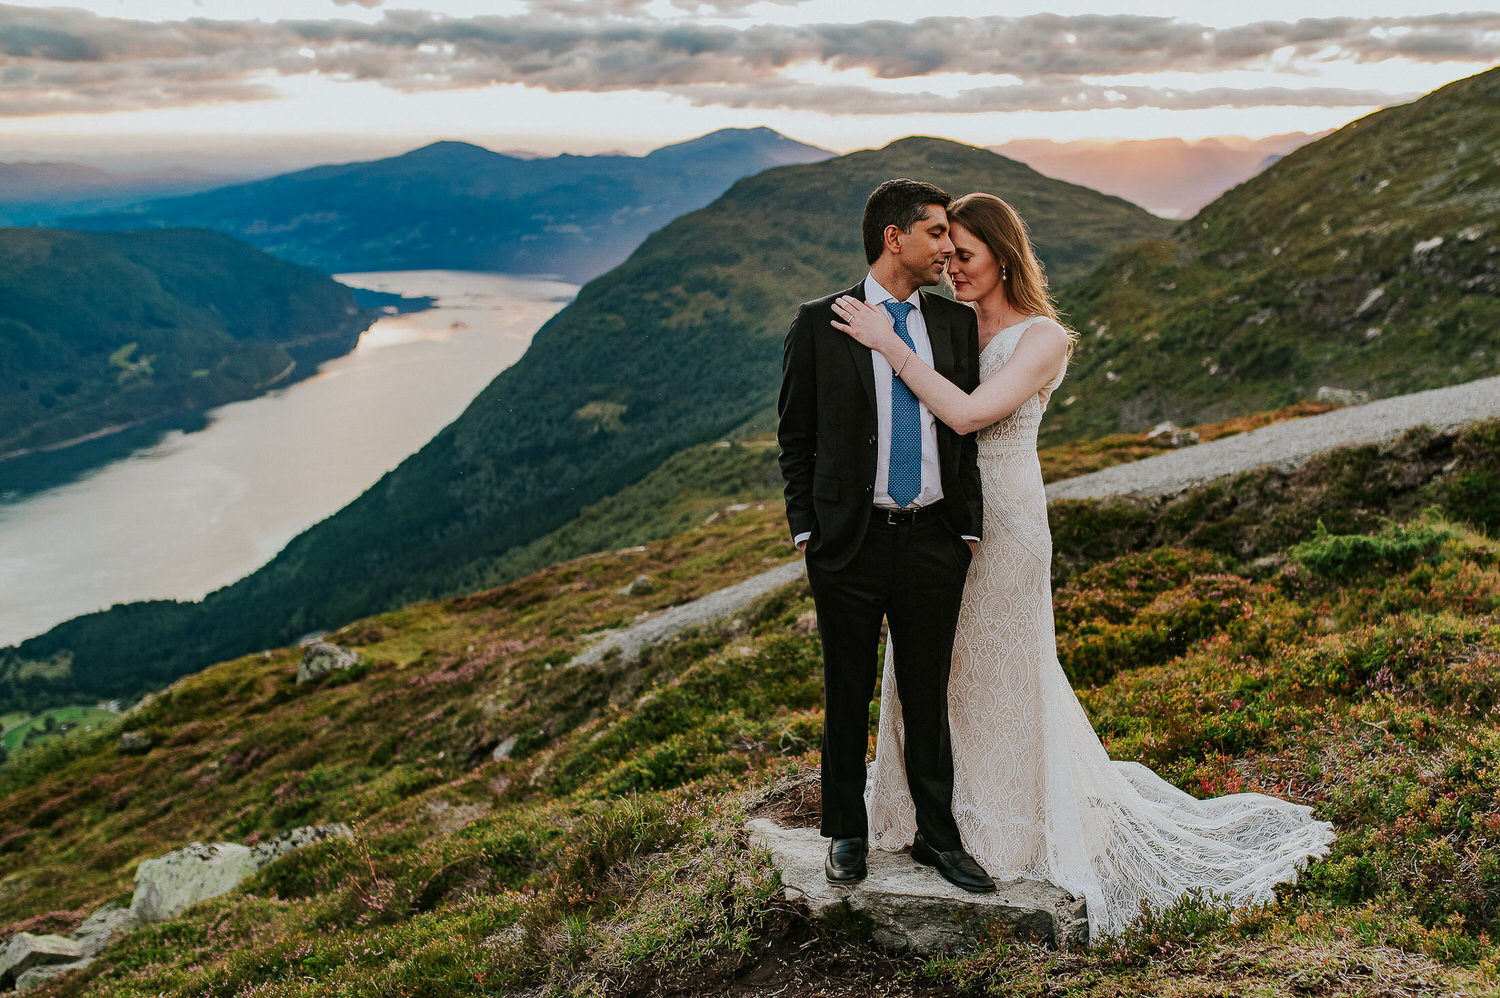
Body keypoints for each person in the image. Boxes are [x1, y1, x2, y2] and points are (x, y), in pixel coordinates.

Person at [831, 192, 1335, 940]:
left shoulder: (1043, 338)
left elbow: (968, 415)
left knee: (1000, 670)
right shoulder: (946, 322)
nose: (951, 267)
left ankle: (1008, 827)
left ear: (1003, 255)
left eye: (964, 255)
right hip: (941, 522)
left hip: (1008, 520)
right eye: (946, 254)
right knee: (928, 664)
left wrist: (891, 348)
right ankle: (921, 814)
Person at [777, 179, 995, 893]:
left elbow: (964, 431)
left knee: (928, 695)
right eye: (936, 233)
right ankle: (845, 832)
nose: (948, 249)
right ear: (892, 238)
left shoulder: (955, 325)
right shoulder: (819, 321)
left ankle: (939, 837)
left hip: (935, 537)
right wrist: (808, 530)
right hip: (850, 541)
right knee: (845, 691)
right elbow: (796, 435)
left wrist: (965, 525)